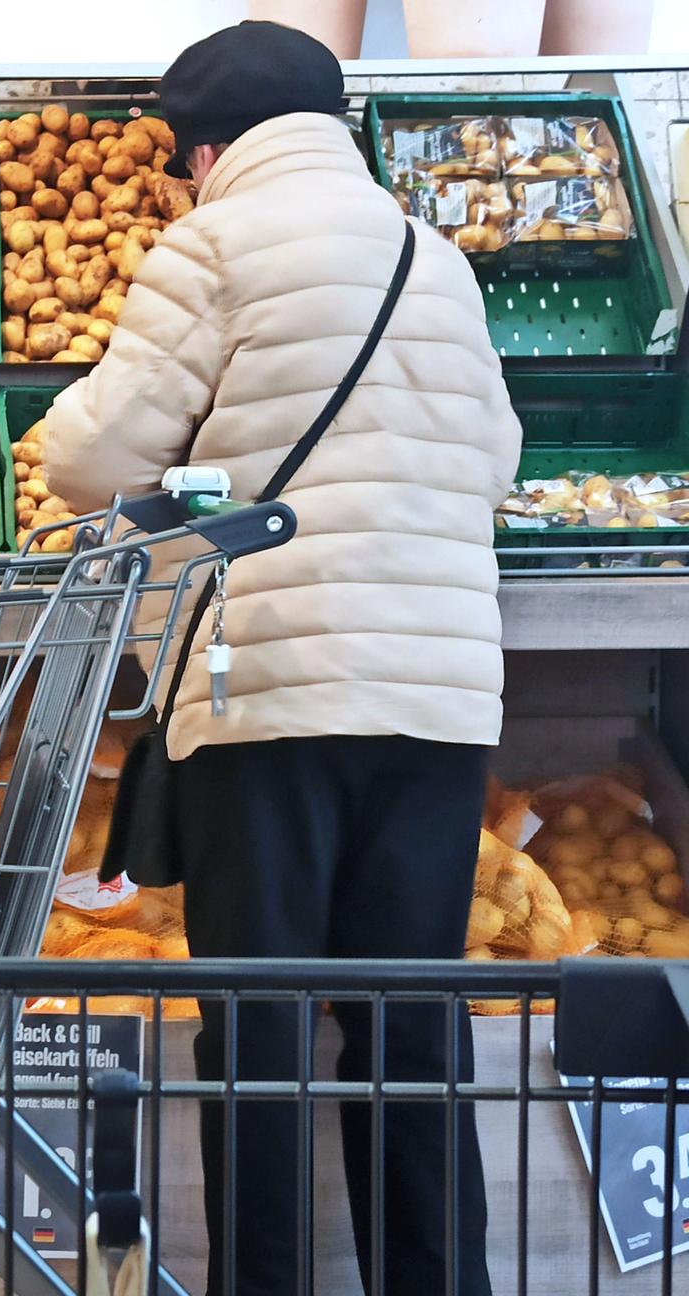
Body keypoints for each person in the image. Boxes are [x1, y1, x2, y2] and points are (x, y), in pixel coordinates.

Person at [42, 20, 522, 1296]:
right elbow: (497, 461)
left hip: (269, 697)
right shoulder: (438, 254)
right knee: (409, 1035)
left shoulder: (213, 241)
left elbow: (93, 458)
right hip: (435, 700)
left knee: (259, 1037)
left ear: (207, 149)